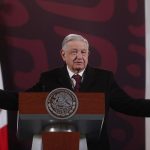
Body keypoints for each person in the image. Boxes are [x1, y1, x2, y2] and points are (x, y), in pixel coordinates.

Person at [0, 34, 150, 150]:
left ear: (88, 54)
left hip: (95, 146)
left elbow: (129, 105)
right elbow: (22, 101)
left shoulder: (104, 78)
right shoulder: (49, 78)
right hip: (58, 146)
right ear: (63, 55)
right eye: (74, 52)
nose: (80, 57)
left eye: (83, 52)